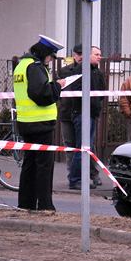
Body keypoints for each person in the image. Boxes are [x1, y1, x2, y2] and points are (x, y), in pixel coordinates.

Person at [13, 34, 67, 211]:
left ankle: (26, 203)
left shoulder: (22, 65)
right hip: (41, 123)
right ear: (45, 53)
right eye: (51, 56)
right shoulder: (35, 67)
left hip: (26, 123)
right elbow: (41, 95)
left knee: (29, 164)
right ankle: (45, 205)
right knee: (44, 166)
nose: (50, 60)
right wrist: (58, 86)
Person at [68, 46, 106, 189]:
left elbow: (102, 91)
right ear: (88, 55)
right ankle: (75, 179)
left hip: (92, 113)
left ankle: (82, 178)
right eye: (96, 54)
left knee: (86, 148)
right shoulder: (81, 70)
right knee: (82, 148)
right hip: (82, 114)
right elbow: (76, 91)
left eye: (100, 55)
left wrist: (95, 103)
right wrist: (90, 103)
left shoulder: (96, 72)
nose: (99, 57)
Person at [57, 44, 83, 175]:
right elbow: (57, 89)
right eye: (78, 54)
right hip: (66, 112)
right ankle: (71, 174)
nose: (81, 56)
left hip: (82, 113)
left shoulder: (91, 71)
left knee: (86, 145)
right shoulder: (64, 71)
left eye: (83, 54)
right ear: (74, 55)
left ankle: (93, 174)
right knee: (69, 145)